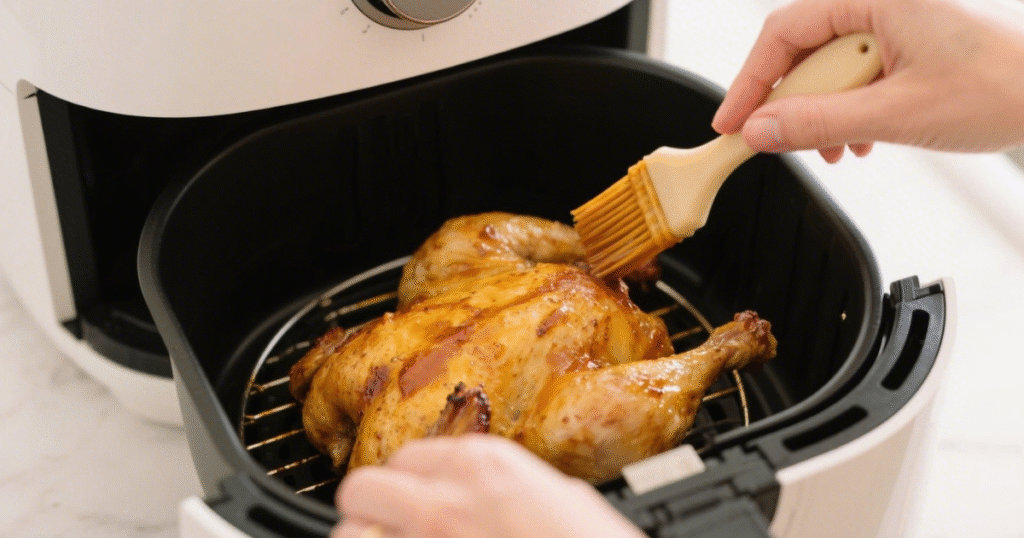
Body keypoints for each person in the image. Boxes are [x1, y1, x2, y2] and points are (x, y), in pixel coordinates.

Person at [332, 0, 1024, 536]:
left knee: (457, 254)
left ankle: (689, 331)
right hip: (484, 345)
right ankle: (717, 350)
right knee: (567, 414)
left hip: (453, 337)